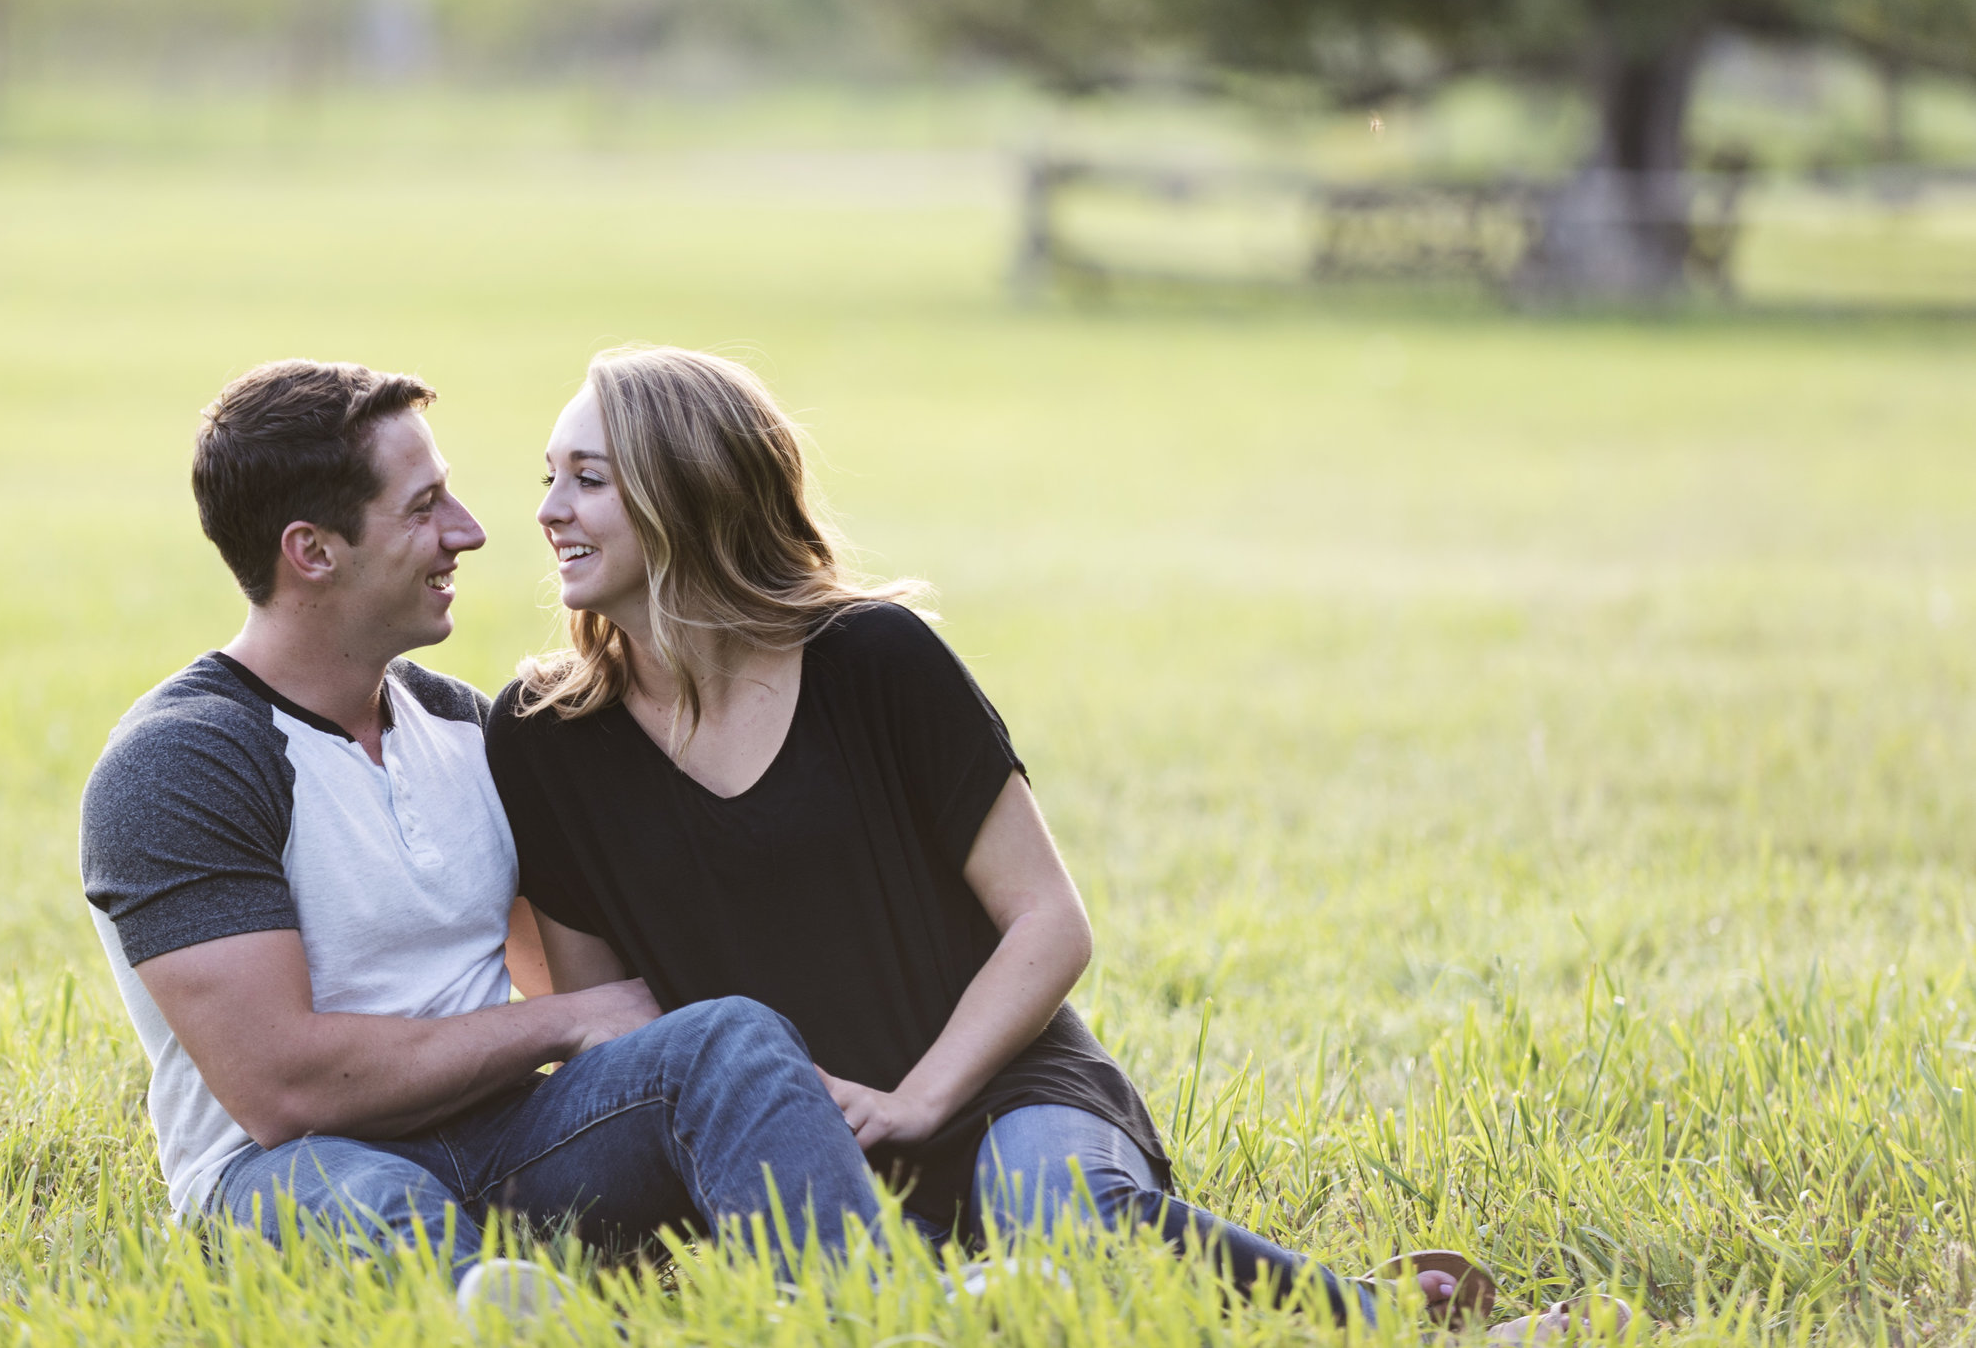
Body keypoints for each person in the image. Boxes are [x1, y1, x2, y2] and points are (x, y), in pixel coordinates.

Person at [486, 345, 1559, 1331]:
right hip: (791, 1137)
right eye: (548, 474)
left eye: (587, 477)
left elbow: (1048, 920)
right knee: (936, 1302)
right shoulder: (547, 735)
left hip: (1002, 1081)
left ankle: (1392, 1321)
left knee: (1060, 1219)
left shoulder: (874, 659)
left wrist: (918, 1099)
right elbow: (616, 1024)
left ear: (693, 489)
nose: (546, 509)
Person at [78, 358, 887, 1318]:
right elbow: (285, 1089)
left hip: (518, 1141)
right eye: (423, 508)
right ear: (313, 550)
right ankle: (508, 1312)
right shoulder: (183, 765)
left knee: (730, 1038)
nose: (469, 530)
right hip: (288, 1172)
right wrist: (558, 1024)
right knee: (376, 1199)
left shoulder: (471, 728)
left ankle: (869, 1308)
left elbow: (572, 968)